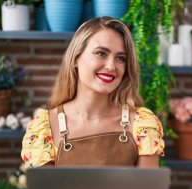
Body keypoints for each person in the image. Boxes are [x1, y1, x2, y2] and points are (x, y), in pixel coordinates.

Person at [21, 17, 165, 168]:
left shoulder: (142, 124)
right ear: (76, 58)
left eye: (120, 58)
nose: (111, 66)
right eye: (101, 53)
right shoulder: (44, 127)